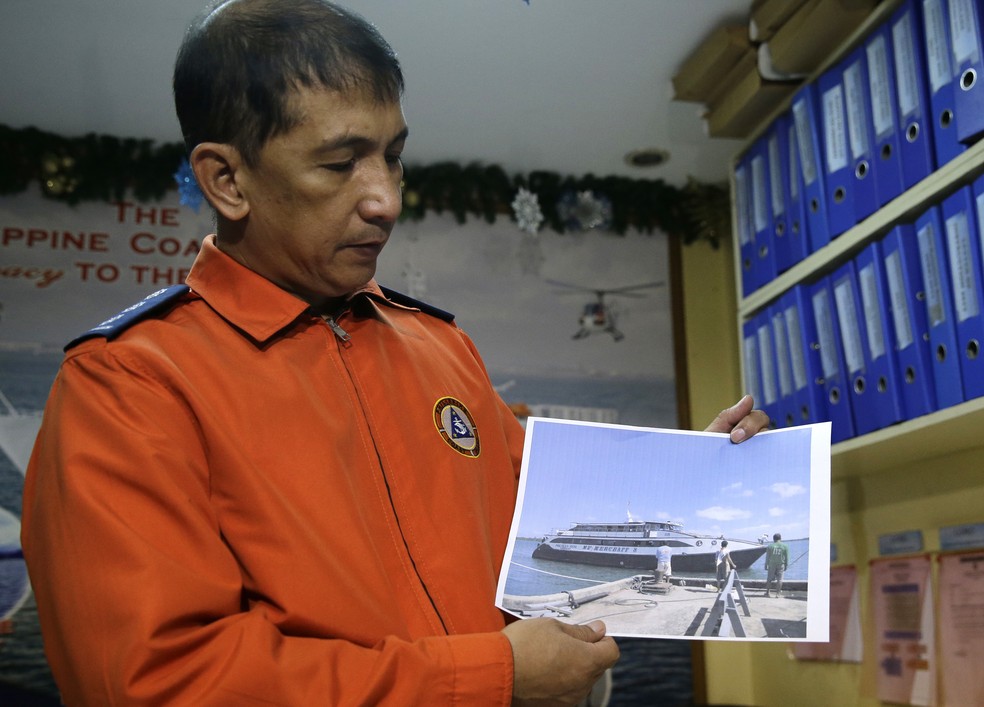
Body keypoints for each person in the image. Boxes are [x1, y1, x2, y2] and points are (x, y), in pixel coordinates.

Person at [20, 1, 771, 704]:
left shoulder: (443, 349)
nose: (386, 199)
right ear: (227, 178)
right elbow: (161, 682)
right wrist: (495, 675)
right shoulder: (128, 385)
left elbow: (545, 541)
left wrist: (689, 493)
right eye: (341, 163)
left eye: (394, 156)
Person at [765, 532, 791, 598]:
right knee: (780, 579)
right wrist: (786, 565)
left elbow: (767, 557)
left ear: (773, 539)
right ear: (780, 538)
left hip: (771, 564)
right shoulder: (785, 546)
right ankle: (778, 594)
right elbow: (787, 557)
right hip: (781, 564)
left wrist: (766, 565)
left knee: (769, 579)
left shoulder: (770, 546)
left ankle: (767, 592)